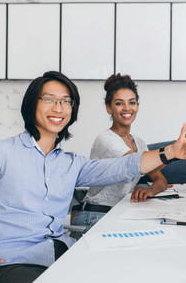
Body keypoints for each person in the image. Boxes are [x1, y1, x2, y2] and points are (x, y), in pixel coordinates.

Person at [0, 71, 186, 283]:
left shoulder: (71, 164)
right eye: (48, 99)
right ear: (31, 104)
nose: (58, 107)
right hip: (11, 265)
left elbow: (122, 167)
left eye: (66, 101)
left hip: (61, 255)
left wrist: (171, 151)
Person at [70, 74, 168, 238]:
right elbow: (137, 164)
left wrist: (150, 190)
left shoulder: (139, 142)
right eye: (119, 103)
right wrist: (176, 151)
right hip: (95, 214)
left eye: (132, 102)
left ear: (137, 106)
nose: (127, 108)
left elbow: (161, 180)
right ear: (109, 108)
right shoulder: (106, 139)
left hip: (119, 212)